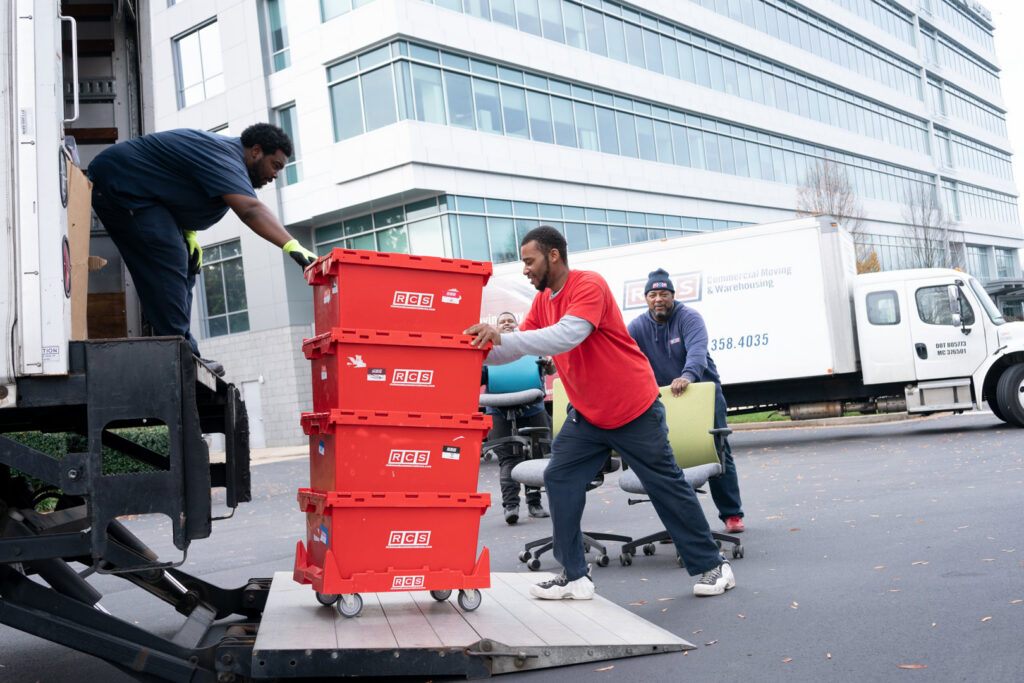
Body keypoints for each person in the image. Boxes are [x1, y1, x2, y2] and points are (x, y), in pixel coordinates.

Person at [465, 226, 735, 600]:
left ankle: (713, 565)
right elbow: (515, 349)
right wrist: (469, 347)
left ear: (553, 255)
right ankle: (574, 576)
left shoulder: (588, 284)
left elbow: (568, 334)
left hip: (633, 408)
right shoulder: (543, 302)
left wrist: (504, 337)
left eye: (529, 261)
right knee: (559, 478)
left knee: (666, 485)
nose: (525, 269)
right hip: (588, 415)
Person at [87, 124, 318, 375]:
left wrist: (189, 233)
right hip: (119, 182)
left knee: (185, 261)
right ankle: (179, 355)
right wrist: (292, 245)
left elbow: (179, 186)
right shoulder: (226, 158)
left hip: (144, 194)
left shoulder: (228, 161)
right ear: (256, 151)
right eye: (276, 165)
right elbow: (251, 210)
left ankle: (182, 347)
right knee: (170, 257)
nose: (275, 176)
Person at [627, 269, 745, 534]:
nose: (659, 299)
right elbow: (624, 357)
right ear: (646, 298)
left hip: (700, 394)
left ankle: (732, 514)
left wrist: (687, 376)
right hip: (664, 399)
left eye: (664, 294)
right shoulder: (637, 327)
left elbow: (697, 351)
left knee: (716, 450)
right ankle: (680, 523)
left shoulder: (688, 317)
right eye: (653, 294)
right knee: (670, 458)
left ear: (673, 296)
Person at [481, 312, 554, 525]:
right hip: (499, 410)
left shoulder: (529, 345)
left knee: (536, 456)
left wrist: (549, 364)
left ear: (517, 325)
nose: (506, 323)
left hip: (532, 408)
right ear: (495, 327)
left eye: (510, 321)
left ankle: (535, 503)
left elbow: (551, 368)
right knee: (508, 459)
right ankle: (511, 506)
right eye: (501, 321)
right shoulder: (489, 351)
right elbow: (479, 378)